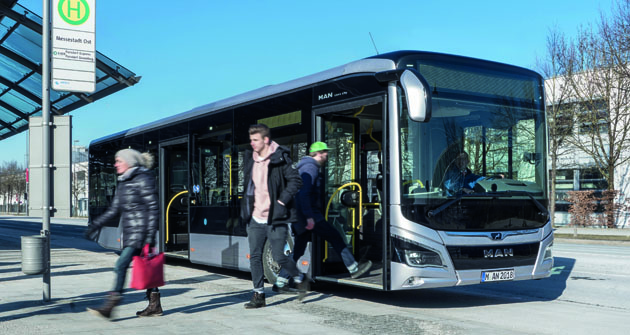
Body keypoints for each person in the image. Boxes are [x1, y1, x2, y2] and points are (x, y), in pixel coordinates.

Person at [274, 142, 371, 293]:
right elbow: (303, 194)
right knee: (335, 236)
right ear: (318, 153)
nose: (327, 155)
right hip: (310, 217)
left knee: (298, 250)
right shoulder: (310, 167)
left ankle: (280, 283)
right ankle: (354, 268)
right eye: (325, 152)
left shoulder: (305, 167)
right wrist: (310, 217)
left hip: (300, 217)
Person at [84, 149, 162, 319]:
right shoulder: (124, 182)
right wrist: (95, 225)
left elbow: (153, 208)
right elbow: (113, 210)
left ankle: (110, 306)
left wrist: (149, 236)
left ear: (129, 162)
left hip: (140, 234)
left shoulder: (143, 178)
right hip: (132, 233)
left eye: (119, 161)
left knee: (121, 265)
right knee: (146, 266)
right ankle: (155, 305)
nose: (115, 164)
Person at [241, 124, 305, 308]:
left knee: (279, 256)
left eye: (255, 140)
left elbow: (295, 180)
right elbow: (249, 188)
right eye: (251, 139)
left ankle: (299, 277)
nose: (252, 143)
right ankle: (258, 295)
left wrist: (282, 201)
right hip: (255, 218)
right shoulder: (251, 160)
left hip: (276, 217)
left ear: (266, 140)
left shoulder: (280, 157)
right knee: (254, 256)